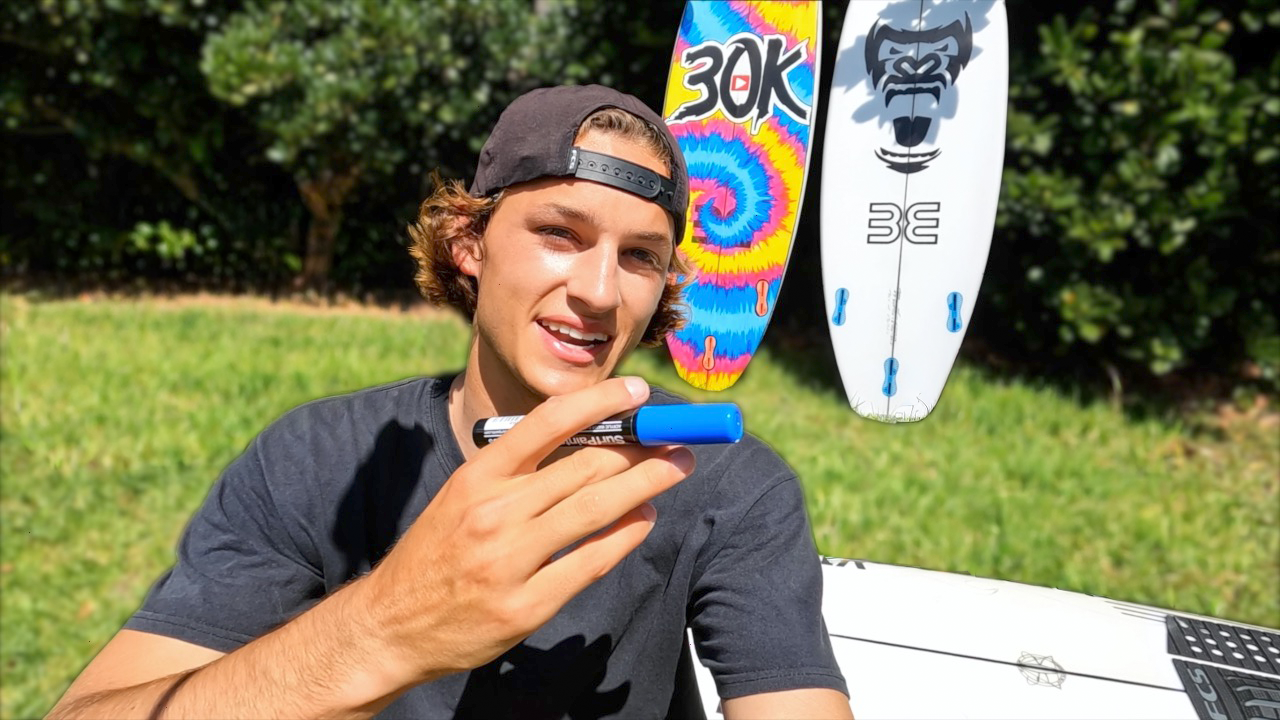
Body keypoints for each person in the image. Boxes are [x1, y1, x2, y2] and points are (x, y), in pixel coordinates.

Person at [49, 85, 852, 719]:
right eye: (560, 234)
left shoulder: (721, 480)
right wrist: (384, 631)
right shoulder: (317, 459)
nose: (601, 291)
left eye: (640, 256)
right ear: (470, 245)